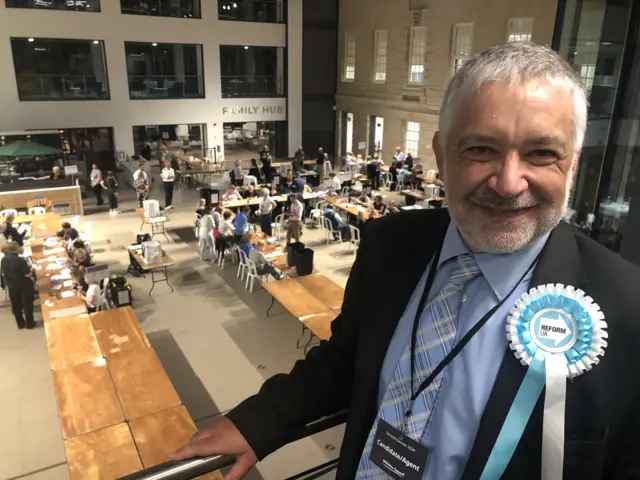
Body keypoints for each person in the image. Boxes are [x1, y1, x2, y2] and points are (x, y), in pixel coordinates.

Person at [171, 43, 640, 479]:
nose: (508, 182)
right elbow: (347, 357)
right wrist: (260, 422)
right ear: (440, 154)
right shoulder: (390, 244)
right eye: (481, 149)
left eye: (541, 153)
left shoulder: (626, 310)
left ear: (572, 166)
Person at [1, 241, 35, 329]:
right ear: (16, 249)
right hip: (23, 284)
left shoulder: (3, 260)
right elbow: (28, 274)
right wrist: (32, 269)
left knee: (16, 305)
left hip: (11, 284)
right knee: (27, 304)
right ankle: (30, 323)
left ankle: (20, 323)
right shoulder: (20, 260)